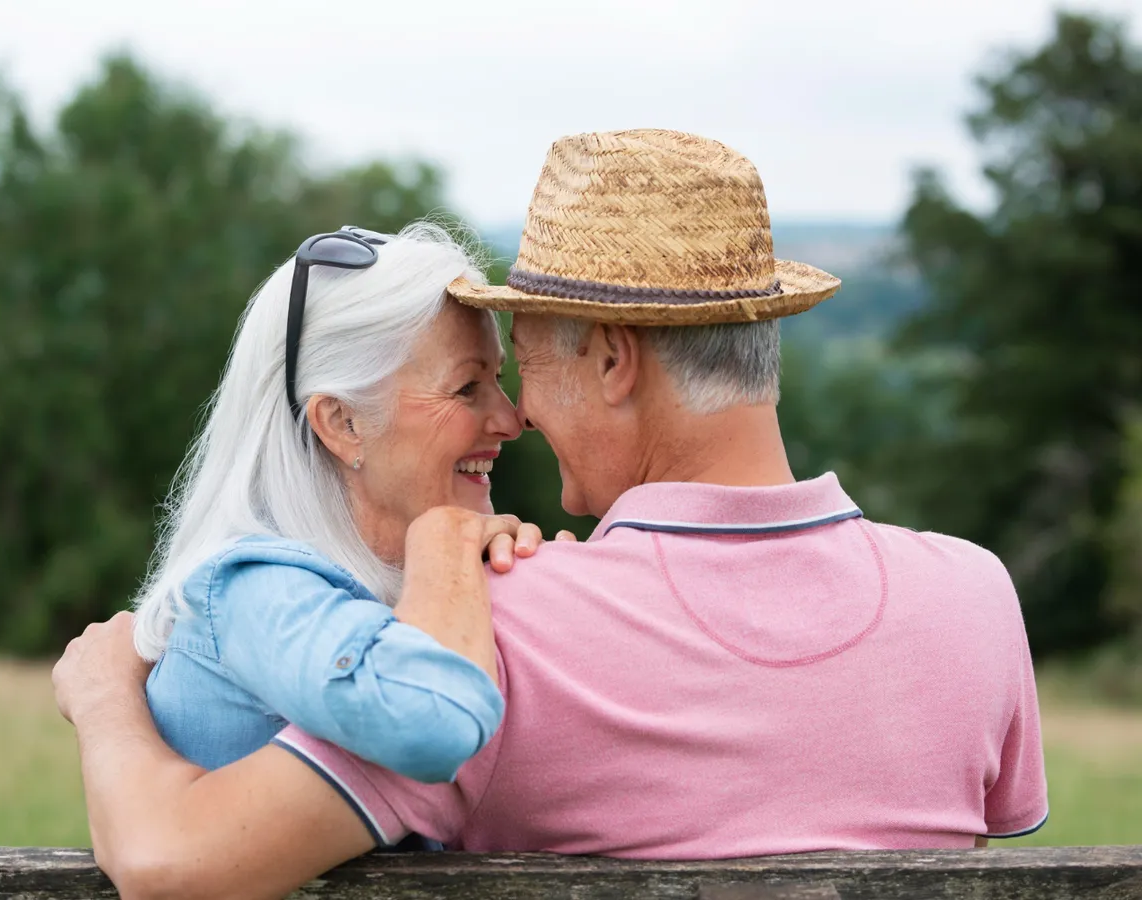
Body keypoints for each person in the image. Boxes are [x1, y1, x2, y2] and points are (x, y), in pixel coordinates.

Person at [53, 129, 1048, 900]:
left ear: (615, 360)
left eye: (530, 362)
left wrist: (105, 703)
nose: (519, 413)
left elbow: (178, 862)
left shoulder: (497, 634)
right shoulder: (976, 598)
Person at [126, 221, 560, 797]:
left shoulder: (372, 585)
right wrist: (448, 543)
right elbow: (429, 723)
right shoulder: (253, 589)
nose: (509, 420)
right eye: (466, 388)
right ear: (342, 423)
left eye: (498, 378)